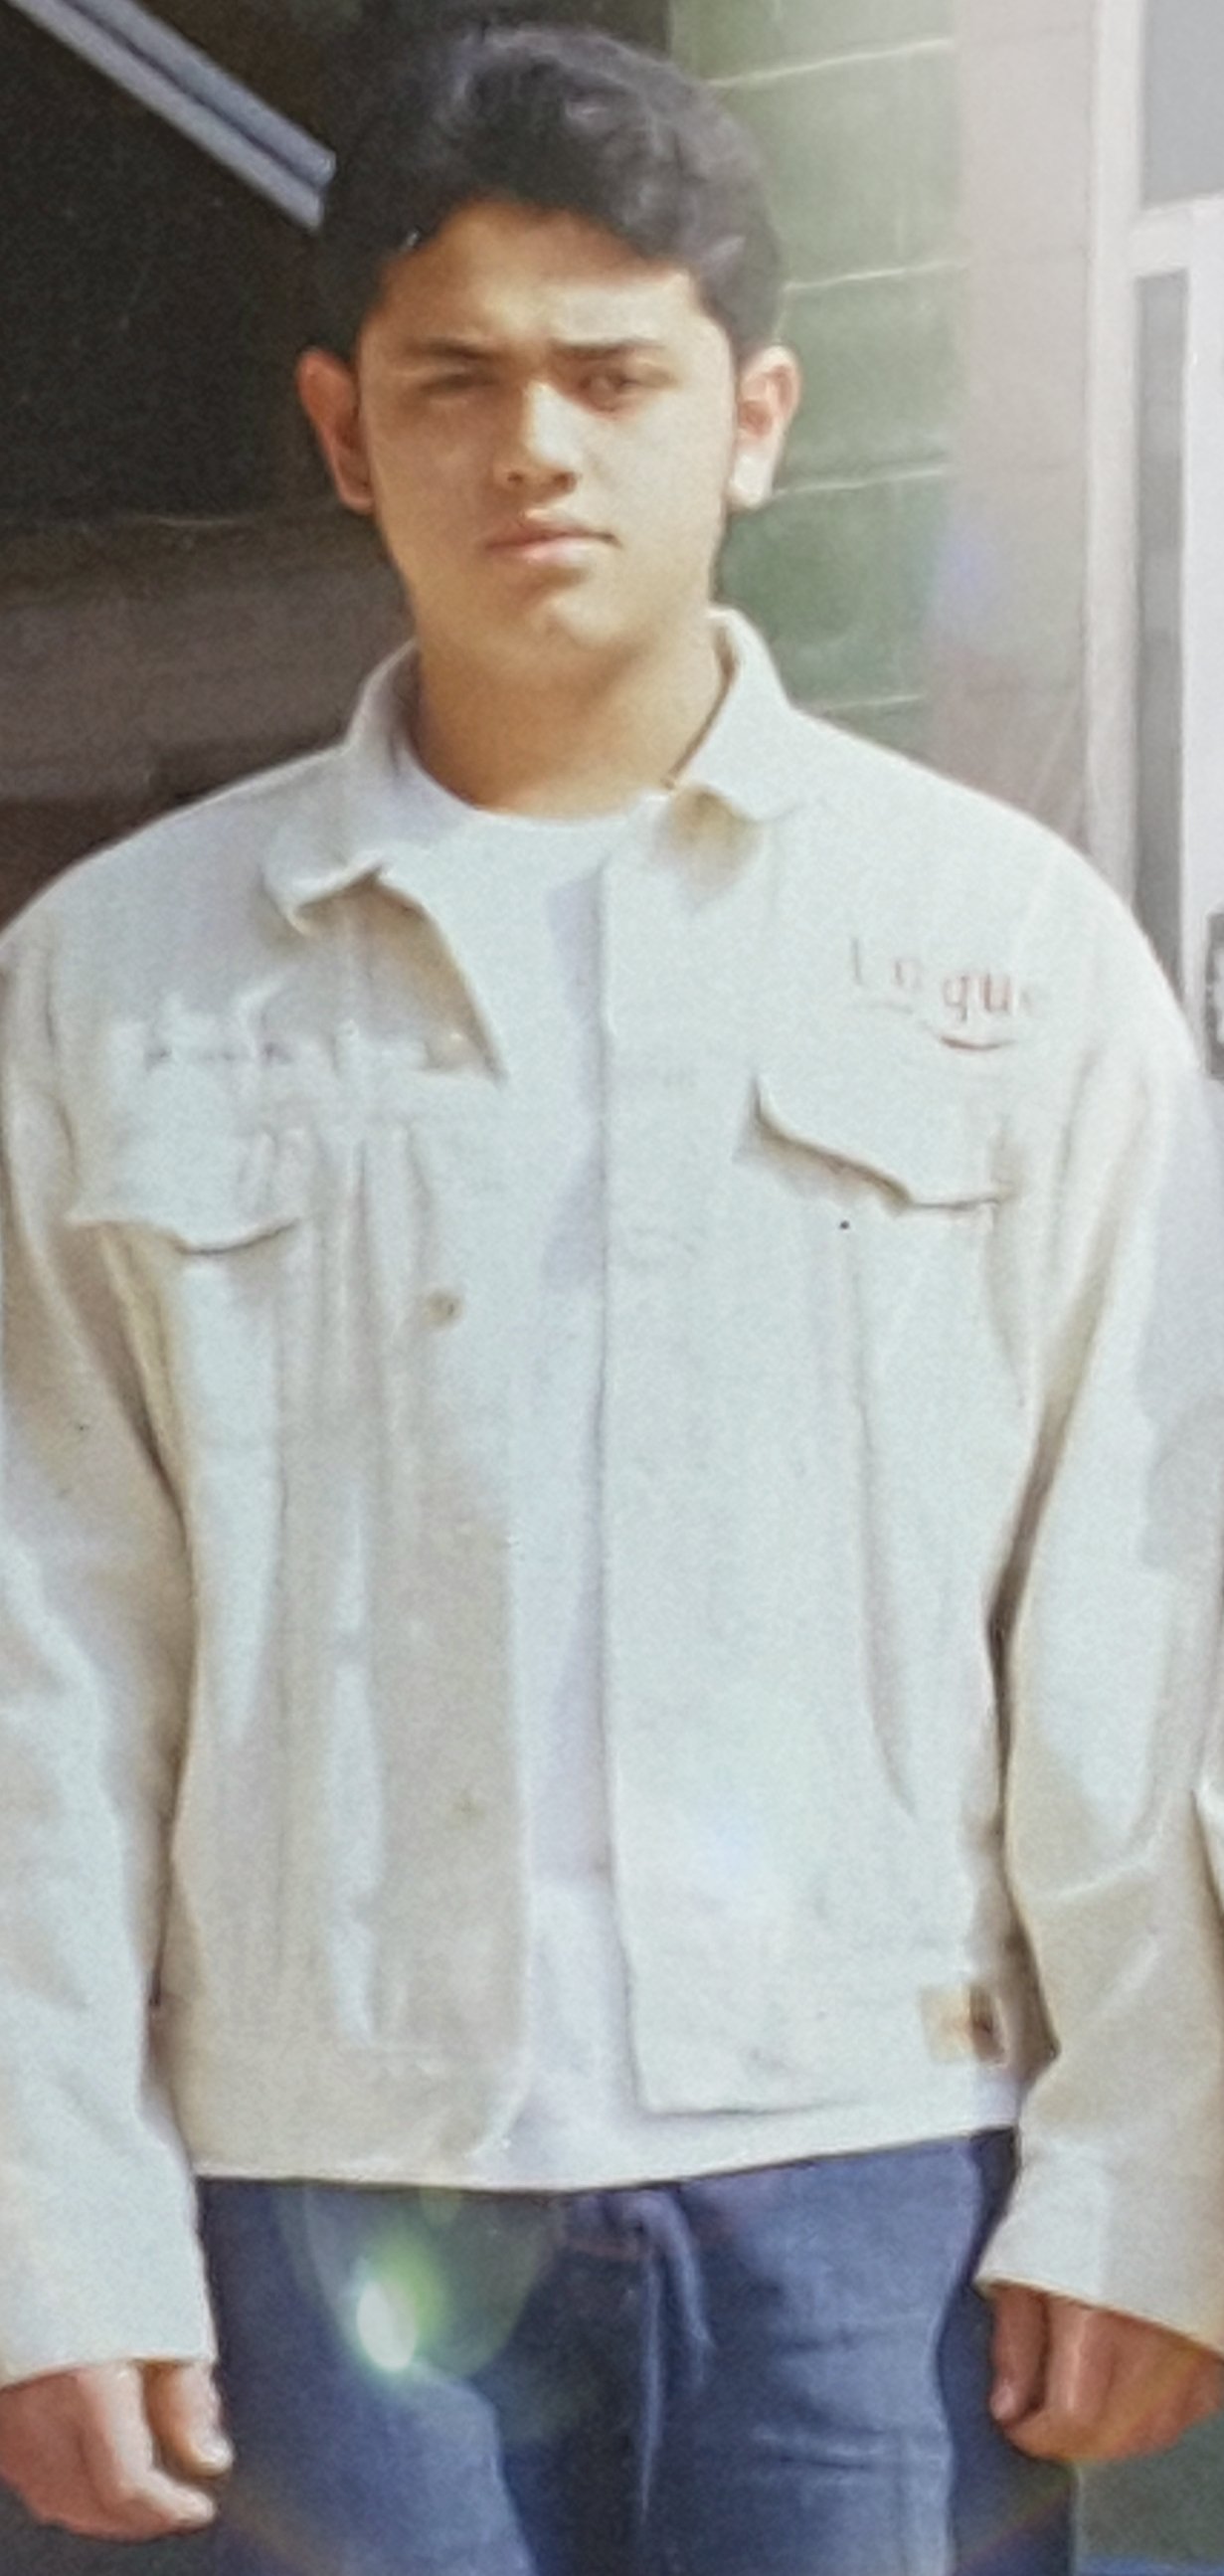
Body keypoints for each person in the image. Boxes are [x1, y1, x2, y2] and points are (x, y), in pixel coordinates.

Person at [1, 16, 1224, 2574]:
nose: (531, 448)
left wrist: (1148, 2170)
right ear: (342, 432)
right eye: (452, 380)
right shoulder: (119, 985)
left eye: (611, 374)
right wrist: (52, 2218)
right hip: (325, 2197)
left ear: (754, 416)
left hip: (873, 2186)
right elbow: (45, 1645)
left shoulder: (997, 953)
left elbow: (1148, 1591)